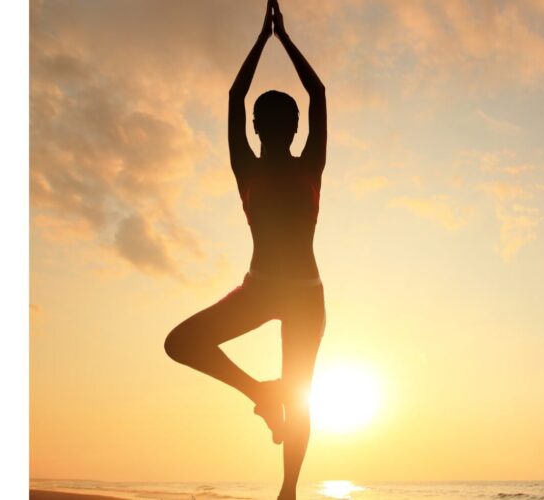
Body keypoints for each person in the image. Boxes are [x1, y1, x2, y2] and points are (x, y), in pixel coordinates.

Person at [163, 1, 326, 498]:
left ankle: (288, 490)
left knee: (295, 397)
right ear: (269, 130)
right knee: (184, 344)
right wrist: (281, 38)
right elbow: (313, 92)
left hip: (298, 296)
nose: (274, 129)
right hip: (269, 290)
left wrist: (266, 38)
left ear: (267, 129)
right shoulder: (292, 165)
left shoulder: (268, 166)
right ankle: (264, 405)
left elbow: (241, 95)